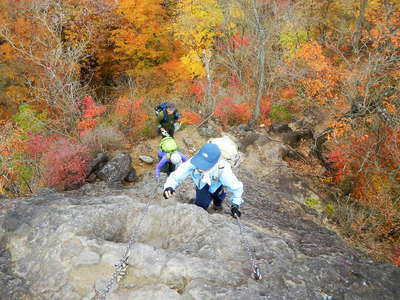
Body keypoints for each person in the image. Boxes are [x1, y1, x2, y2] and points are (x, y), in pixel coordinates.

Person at [162, 143, 243, 218]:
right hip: (201, 185)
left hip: (217, 184)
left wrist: (235, 205)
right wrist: (169, 186)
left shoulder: (224, 170)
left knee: (218, 199)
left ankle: (216, 206)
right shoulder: (194, 161)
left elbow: (236, 188)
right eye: (200, 163)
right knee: (201, 205)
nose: (199, 167)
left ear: (214, 163)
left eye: (204, 165)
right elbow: (177, 174)